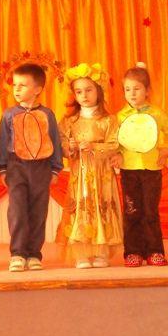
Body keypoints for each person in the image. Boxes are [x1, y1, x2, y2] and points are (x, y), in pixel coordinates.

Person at [0, 63, 63, 272]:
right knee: (17, 211)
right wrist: (2, 168)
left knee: (38, 211)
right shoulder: (9, 114)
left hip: (41, 167)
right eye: (15, 85)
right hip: (16, 166)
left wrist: (55, 168)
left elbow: (55, 141)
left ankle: (34, 254)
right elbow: (2, 142)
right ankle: (18, 253)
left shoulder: (47, 114)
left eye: (23, 85)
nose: (16, 89)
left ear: (37, 89)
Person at [57, 64, 122, 268]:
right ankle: (82, 254)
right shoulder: (69, 121)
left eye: (88, 90)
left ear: (98, 91)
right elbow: (62, 144)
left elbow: (115, 144)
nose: (84, 95)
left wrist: (94, 146)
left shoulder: (109, 120)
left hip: (102, 174)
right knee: (82, 208)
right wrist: (70, 147)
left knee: (102, 207)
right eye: (79, 91)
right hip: (80, 175)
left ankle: (101, 253)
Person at [116, 64, 168, 267]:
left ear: (147, 90)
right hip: (129, 170)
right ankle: (132, 252)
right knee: (132, 211)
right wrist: (116, 154)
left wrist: (167, 149)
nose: (132, 93)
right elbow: (114, 141)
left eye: (137, 88)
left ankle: (154, 251)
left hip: (152, 170)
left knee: (150, 211)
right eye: (127, 89)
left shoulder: (157, 113)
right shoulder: (120, 117)